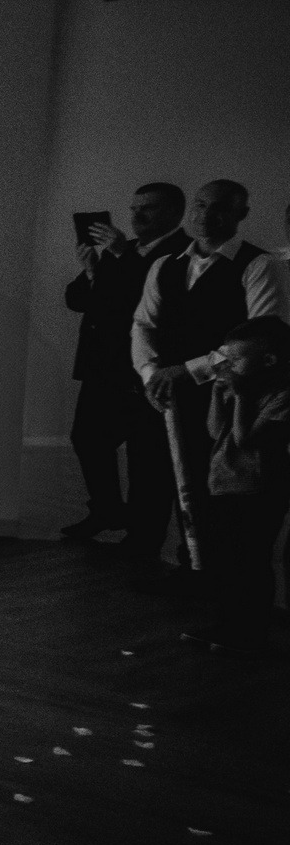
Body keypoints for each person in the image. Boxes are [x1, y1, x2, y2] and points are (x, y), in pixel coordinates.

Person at [133, 180, 285, 574]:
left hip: (224, 394)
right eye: (200, 205)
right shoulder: (164, 265)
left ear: (241, 214)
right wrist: (151, 373)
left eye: (219, 207)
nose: (206, 215)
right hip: (161, 392)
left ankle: (207, 573)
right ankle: (150, 563)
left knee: (210, 486)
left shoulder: (259, 265)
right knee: (152, 477)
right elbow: (143, 325)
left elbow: (263, 338)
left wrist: (186, 371)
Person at [64, 183, 189, 555]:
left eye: (148, 208)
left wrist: (120, 255)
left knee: (147, 457)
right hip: (103, 366)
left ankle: (143, 537)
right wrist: (91, 271)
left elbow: (153, 302)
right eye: (134, 208)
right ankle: (107, 510)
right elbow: (76, 299)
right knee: (87, 439)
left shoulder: (183, 252)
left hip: (145, 370)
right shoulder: (124, 250)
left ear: (175, 212)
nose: (136, 215)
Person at [187, 316, 290, 651]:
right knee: (228, 559)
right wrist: (218, 395)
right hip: (226, 484)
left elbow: (246, 440)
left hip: (260, 491)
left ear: (268, 359)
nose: (228, 366)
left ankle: (251, 632)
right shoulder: (244, 388)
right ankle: (229, 624)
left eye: (237, 359)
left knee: (252, 561)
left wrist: (242, 397)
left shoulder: (281, 396)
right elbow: (216, 431)